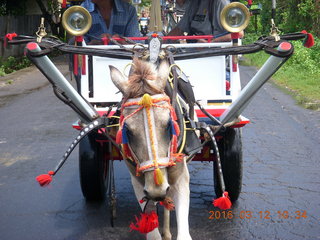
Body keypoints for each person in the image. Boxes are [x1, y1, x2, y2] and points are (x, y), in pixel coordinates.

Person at [168, 0, 243, 42]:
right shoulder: (194, 3)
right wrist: (162, 42)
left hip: (215, 54)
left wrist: (211, 42)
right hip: (194, 51)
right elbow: (179, 29)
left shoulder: (220, 3)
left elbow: (239, 33)